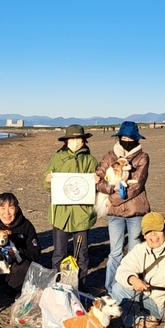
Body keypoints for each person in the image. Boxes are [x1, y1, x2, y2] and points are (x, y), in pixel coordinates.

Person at [95, 121, 151, 292]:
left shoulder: (142, 157)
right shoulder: (109, 156)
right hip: (115, 215)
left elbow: (137, 186)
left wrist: (112, 200)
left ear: (136, 139)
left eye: (130, 138)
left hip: (136, 212)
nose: (127, 140)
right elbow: (98, 179)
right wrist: (112, 189)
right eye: (124, 137)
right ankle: (111, 289)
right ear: (119, 138)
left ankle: (131, 289)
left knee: (135, 252)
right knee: (115, 253)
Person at [109, 212, 165, 328]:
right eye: (149, 231)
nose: (153, 235)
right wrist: (133, 279)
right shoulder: (141, 249)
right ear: (144, 235)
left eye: (158, 230)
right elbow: (122, 270)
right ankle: (143, 319)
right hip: (151, 301)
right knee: (117, 289)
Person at [43, 124, 98, 289]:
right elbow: (46, 182)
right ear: (66, 141)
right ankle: (56, 286)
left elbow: (97, 186)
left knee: (81, 254)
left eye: (79, 138)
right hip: (61, 214)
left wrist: (97, 181)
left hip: (82, 214)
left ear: (84, 140)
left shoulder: (90, 160)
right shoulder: (57, 158)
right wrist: (48, 180)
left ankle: (80, 285)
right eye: (72, 139)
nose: (76, 142)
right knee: (59, 253)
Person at [0, 192, 41, 298]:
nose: (7, 213)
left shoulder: (26, 226)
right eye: (2, 208)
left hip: (13, 269)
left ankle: (11, 289)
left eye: (11, 208)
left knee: (25, 266)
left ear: (17, 209)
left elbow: (36, 253)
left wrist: (17, 252)